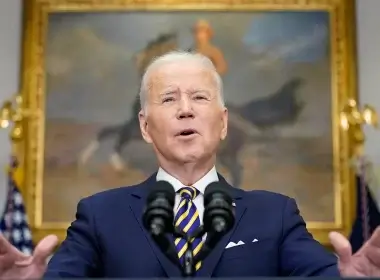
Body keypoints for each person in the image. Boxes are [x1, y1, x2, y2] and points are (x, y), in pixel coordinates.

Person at [1, 50, 380, 278]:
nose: (185, 110)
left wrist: (352, 279)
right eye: (168, 99)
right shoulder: (101, 215)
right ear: (145, 128)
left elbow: (322, 275)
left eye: (199, 97)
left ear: (224, 122)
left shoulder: (275, 214)